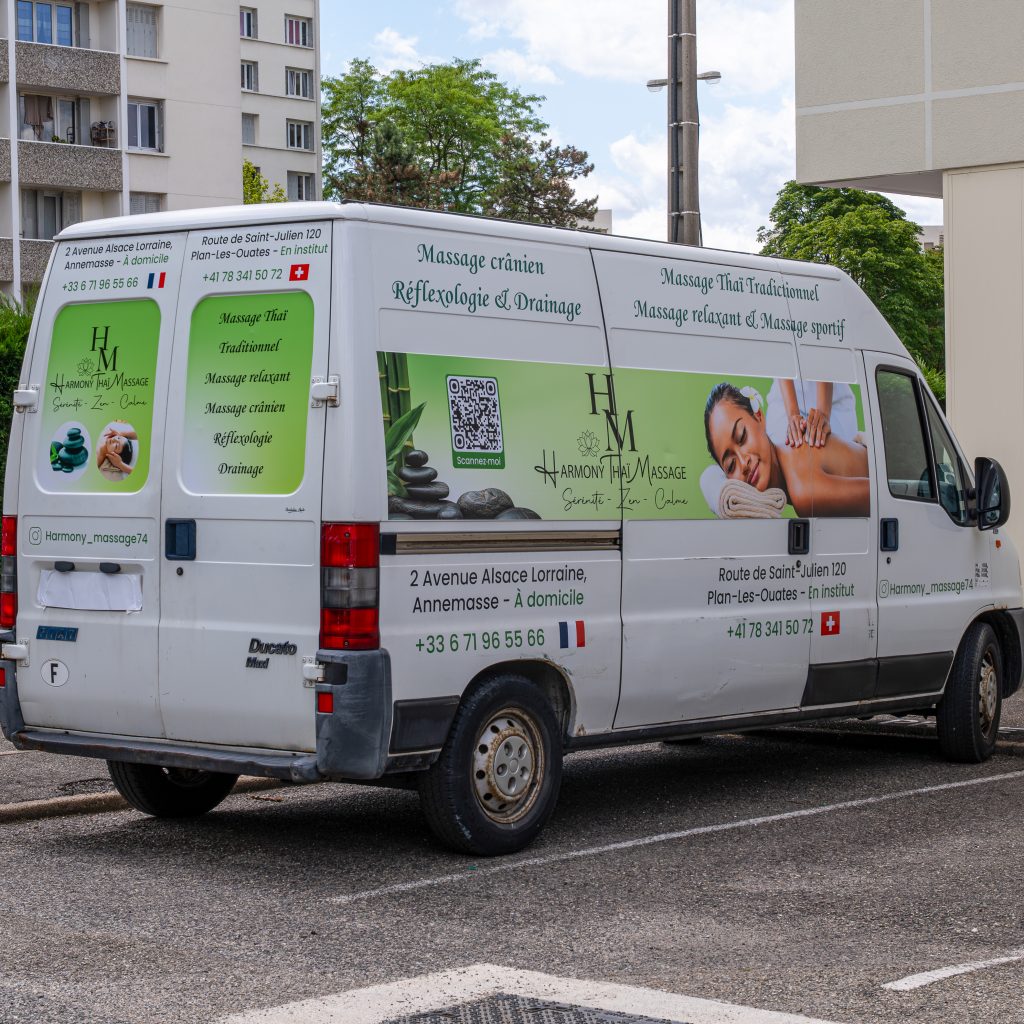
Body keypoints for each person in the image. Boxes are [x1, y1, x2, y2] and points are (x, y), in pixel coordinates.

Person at [704, 382, 869, 517]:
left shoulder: (804, 493)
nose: (743, 462)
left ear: (759, 416)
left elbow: (882, 494)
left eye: (742, 437)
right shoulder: (783, 447)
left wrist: (823, 412)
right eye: (731, 465)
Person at [765, 379, 858, 449]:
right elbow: (784, 361)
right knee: (786, 449)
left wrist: (824, 414)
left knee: (834, 455)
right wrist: (793, 414)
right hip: (784, 395)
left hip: (834, 396)